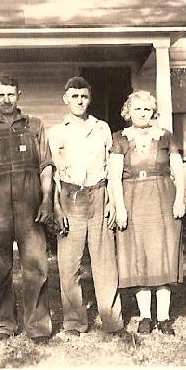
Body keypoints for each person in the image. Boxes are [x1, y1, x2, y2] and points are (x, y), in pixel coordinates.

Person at [0, 72, 54, 345]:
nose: (7, 100)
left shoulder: (35, 126)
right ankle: (4, 321)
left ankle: (38, 324)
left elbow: (45, 166)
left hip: (30, 206)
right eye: (1, 94)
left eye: (11, 93)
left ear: (19, 95)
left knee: (36, 265)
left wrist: (46, 200)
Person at [48, 77, 131, 342]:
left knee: (104, 261)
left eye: (84, 96)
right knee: (69, 264)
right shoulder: (56, 132)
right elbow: (53, 175)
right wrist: (56, 207)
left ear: (90, 98)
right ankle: (74, 320)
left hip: (98, 194)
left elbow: (110, 166)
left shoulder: (102, 128)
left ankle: (112, 319)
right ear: (66, 99)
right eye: (74, 96)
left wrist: (111, 201)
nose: (79, 101)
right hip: (70, 196)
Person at [108, 91, 186, 335]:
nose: (142, 114)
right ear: (128, 112)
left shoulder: (166, 137)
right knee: (139, 256)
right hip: (132, 199)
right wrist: (119, 207)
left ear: (153, 113)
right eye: (137, 109)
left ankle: (163, 318)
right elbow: (113, 177)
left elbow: (179, 172)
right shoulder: (120, 139)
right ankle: (145, 316)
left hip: (163, 198)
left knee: (163, 253)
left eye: (147, 110)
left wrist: (180, 199)